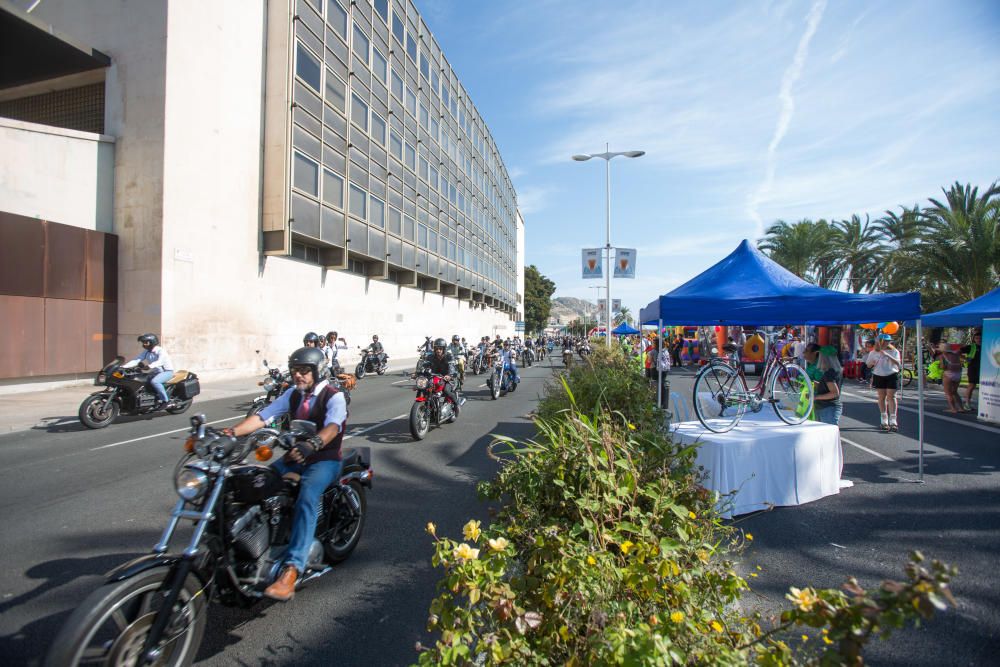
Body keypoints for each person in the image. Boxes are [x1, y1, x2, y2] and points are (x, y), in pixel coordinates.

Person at [223, 346, 348, 601]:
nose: (298, 375)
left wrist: (313, 443)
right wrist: (230, 433)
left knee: (307, 496)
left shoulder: (333, 396)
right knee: (259, 484)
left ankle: (292, 569)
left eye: (304, 371)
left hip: (323, 460)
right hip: (294, 457)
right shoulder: (292, 394)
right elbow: (262, 417)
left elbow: (333, 427)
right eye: (295, 371)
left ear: (317, 371)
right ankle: (256, 546)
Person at [122, 333, 175, 410]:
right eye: (143, 342)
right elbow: (137, 360)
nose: (144, 344)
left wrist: (149, 366)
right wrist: (123, 367)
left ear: (152, 342)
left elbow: (160, 361)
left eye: (146, 342)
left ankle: (165, 401)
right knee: (140, 380)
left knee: (155, 382)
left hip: (166, 372)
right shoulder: (146, 352)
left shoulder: (160, 351)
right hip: (155, 372)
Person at [866, 333, 901, 431]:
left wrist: (887, 355)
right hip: (879, 375)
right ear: (879, 342)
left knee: (891, 396)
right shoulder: (873, 352)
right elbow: (868, 365)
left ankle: (893, 420)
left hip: (891, 374)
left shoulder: (894, 351)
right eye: (884, 341)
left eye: (888, 341)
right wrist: (871, 362)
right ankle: (884, 419)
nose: (886, 343)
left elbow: (898, 363)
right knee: (882, 397)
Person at [805, 343, 843, 425]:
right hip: (828, 407)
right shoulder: (836, 370)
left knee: (827, 435)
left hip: (827, 408)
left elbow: (834, 393)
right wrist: (817, 384)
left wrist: (815, 397)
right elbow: (829, 387)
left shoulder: (829, 372)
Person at [424, 338, 461, 416]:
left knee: (446, 390)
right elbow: (424, 365)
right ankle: (431, 407)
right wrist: (417, 373)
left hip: (448, 379)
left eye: (440, 349)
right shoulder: (430, 356)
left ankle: (457, 405)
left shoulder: (449, 356)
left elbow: (451, 367)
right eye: (436, 348)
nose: (438, 350)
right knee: (426, 389)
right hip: (434, 378)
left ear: (444, 349)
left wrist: (449, 375)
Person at [939, 342, 965, 414]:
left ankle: (953, 409)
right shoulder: (956, 354)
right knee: (955, 392)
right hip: (958, 374)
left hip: (948, 373)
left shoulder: (942, 356)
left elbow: (943, 366)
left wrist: (940, 367)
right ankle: (961, 408)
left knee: (948, 393)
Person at [960, 330, 982, 412]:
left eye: (980, 338)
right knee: (972, 385)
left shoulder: (985, 345)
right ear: (974, 339)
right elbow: (957, 352)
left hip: (983, 369)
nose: (978, 339)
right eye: (977, 338)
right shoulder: (971, 347)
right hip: (973, 369)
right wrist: (965, 359)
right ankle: (967, 403)